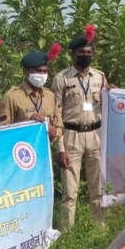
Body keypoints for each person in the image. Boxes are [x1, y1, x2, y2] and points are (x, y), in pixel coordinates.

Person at [52, 25, 109, 231]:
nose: (85, 56)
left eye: (89, 53)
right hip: (71, 135)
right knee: (70, 191)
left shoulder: (100, 77)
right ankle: (67, 233)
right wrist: (61, 148)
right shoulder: (61, 79)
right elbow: (55, 113)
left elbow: (108, 105)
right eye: (81, 53)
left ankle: (99, 229)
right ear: (72, 54)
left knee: (98, 189)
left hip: (95, 135)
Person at [0, 46, 65, 156]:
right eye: (38, 71)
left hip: (45, 155)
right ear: (26, 71)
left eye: (45, 71)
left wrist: (54, 133)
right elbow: (3, 130)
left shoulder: (50, 96)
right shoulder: (12, 97)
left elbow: (59, 126)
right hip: (21, 154)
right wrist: (28, 124)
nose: (42, 75)